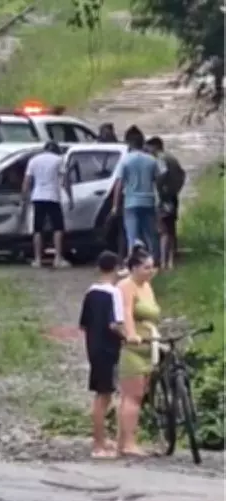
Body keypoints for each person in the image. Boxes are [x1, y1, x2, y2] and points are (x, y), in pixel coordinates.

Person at [79, 251, 124, 458]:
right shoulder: (114, 293)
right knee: (103, 396)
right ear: (116, 268)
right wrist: (128, 337)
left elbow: (84, 325)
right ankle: (98, 444)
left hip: (93, 346)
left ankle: (102, 439)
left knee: (102, 394)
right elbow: (115, 323)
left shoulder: (90, 292)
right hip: (108, 347)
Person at [116, 244, 159, 456]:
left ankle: (124, 440)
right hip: (133, 346)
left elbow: (151, 313)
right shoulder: (126, 285)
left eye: (152, 267)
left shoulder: (147, 286)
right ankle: (128, 443)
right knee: (131, 396)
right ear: (133, 268)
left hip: (150, 343)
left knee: (139, 395)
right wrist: (131, 335)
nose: (150, 271)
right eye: (146, 268)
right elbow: (126, 312)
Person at [112, 126, 161, 264]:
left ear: (129, 143)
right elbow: (158, 181)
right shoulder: (151, 160)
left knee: (131, 236)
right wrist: (160, 200)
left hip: (131, 202)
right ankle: (154, 262)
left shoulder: (125, 160)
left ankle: (133, 264)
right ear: (143, 143)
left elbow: (119, 184)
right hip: (148, 201)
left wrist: (115, 205)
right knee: (151, 235)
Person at [22, 141, 73, 268]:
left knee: (38, 229)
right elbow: (65, 180)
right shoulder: (59, 160)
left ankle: (37, 259)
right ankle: (58, 258)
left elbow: (27, 181)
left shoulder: (34, 160)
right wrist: (70, 197)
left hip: (37, 196)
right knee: (58, 228)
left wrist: (25, 198)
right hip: (53, 196)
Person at [146, 136, 186, 270]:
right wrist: (177, 189)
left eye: (149, 148)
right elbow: (182, 175)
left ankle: (164, 262)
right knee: (171, 227)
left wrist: (158, 186)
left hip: (164, 198)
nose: (148, 151)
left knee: (163, 229)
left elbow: (163, 173)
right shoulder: (172, 157)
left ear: (155, 146)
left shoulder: (161, 158)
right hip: (172, 195)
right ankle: (172, 255)